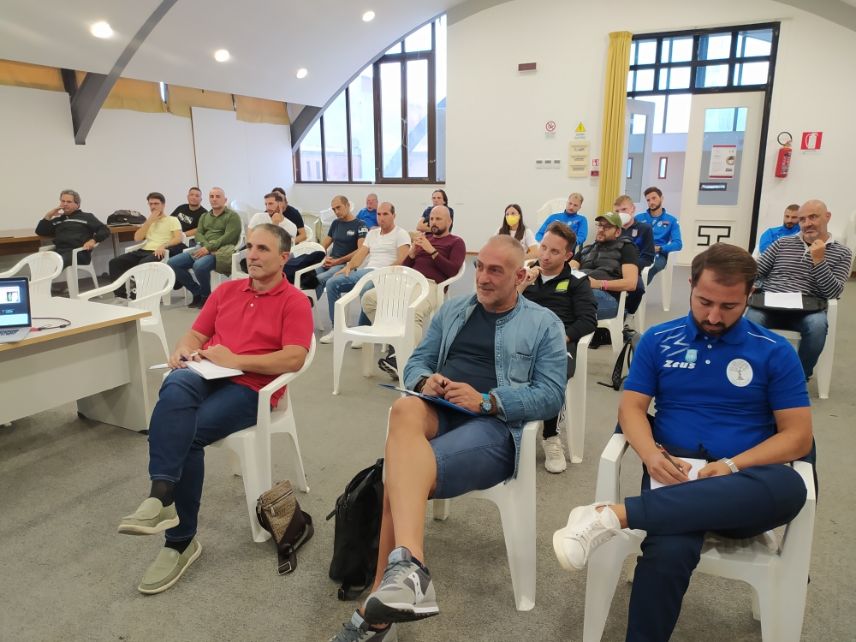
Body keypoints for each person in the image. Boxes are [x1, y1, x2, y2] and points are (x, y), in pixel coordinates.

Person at [553, 243, 813, 642]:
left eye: (729, 306)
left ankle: (613, 516)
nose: (714, 317)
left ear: (750, 296)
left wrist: (732, 466)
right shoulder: (660, 339)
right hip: (673, 475)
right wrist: (649, 454)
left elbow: (797, 436)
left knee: (790, 485)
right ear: (691, 285)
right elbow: (631, 409)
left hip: (743, 484)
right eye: (704, 302)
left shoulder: (774, 351)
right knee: (668, 551)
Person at [329, 235, 566, 642]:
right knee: (404, 409)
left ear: (520, 277)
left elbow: (551, 395)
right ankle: (409, 571)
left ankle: (378, 607)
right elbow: (418, 361)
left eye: (496, 271)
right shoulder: (454, 309)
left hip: (494, 426)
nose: (483, 278)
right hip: (441, 409)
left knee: (399, 473)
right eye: (480, 267)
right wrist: (426, 381)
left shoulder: (544, 324)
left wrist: (488, 400)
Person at [117, 224, 313, 595]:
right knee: (174, 384)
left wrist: (236, 360)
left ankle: (180, 542)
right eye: (250, 247)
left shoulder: (294, 301)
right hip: (208, 372)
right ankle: (161, 495)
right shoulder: (226, 291)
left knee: (187, 432)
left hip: (251, 388)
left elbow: (294, 357)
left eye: (263, 249)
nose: (252, 255)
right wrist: (182, 350)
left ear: (284, 257)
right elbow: (196, 335)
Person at [519, 222, 597, 473]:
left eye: (554, 251)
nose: (545, 255)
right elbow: (502, 307)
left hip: (558, 343)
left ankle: (550, 435)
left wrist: (561, 338)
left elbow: (588, 320)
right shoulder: (526, 273)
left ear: (567, 255)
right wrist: (522, 285)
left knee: (552, 373)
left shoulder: (577, 281)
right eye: (543, 247)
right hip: (522, 338)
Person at [745, 199, 852, 380]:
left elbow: (833, 293)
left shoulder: (842, 253)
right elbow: (755, 272)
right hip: (769, 305)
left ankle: (797, 377)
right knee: (751, 321)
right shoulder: (782, 243)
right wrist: (749, 284)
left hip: (808, 309)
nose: (807, 223)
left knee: (817, 326)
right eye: (802, 219)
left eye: (813, 217)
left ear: (827, 217)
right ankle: (753, 373)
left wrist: (819, 261)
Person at [364, 205, 466, 380]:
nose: (433, 222)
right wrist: (411, 254)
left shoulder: (456, 242)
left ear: (449, 221)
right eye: (431, 219)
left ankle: (403, 361)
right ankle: (395, 343)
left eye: (438, 219)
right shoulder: (424, 239)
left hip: (429, 284)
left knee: (413, 312)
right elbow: (405, 267)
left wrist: (432, 251)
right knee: (369, 299)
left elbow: (452, 270)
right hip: (406, 281)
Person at [319, 201, 411, 343]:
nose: (381, 218)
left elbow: (402, 260)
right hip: (368, 272)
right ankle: (336, 329)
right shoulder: (372, 234)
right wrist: (348, 267)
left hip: (387, 276)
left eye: (385, 214)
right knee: (332, 282)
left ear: (394, 215)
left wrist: (382, 273)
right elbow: (360, 255)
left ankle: (363, 332)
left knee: (366, 288)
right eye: (379, 214)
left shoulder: (401, 234)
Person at [168, 187, 241, 308]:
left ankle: (206, 296)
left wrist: (208, 248)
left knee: (199, 266)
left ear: (225, 199)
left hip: (220, 251)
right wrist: (206, 247)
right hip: (202, 248)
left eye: (218, 196)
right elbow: (199, 234)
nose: (214, 199)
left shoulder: (232, 216)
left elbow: (229, 237)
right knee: (173, 263)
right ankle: (197, 292)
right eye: (211, 196)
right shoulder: (204, 216)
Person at [108, 192, 182, 298]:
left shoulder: (172, 220)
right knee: (115, 262)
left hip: (160, 251)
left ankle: (137, 294)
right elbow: (137, 238)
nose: (153, 207)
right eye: (151, 204)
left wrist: (163, 246)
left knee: (143, 264)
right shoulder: (148, 222)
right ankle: (120, 296)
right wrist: (149, 222)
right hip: (144, 250)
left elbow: (178, 238)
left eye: (156, 204)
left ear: (163, 205)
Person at [572, 212, 639, 322]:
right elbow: (569, 269)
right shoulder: (586, 249)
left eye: (607, 227)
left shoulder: (626, 248)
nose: (601, 229)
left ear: (618, 232)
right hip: (579, 290)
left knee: (565, 308)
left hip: (606, 296)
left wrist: (598, 284)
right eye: (600, 225)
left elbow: (631, 283)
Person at [36, 189, 109, 268]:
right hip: (59, 252)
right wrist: (49, 215)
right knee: (38, 263)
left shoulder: (87, 217)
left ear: (77, 204)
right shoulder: (58, 220)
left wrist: (93, 240)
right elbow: (40, 231)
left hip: (79, 253)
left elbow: (104, 230)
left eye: (69, 202)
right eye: (63, 201)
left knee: (53, 263)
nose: (65, 204)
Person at [315, 195, 369, 299]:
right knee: (308, 277)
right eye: (334, 209)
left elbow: (360, 250)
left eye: (338, 207)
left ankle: (309, 306)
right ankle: (308, 306)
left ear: (347, 205)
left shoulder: (361, 225)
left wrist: (338, 261)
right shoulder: (335, 223)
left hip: (345, 265)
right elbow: (323, 246)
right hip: (330, 262)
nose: (336, 212)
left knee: (318, 279)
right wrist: (324, 258)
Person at [615, 194, 655, 317]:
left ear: (633, 209)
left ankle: (627, 313)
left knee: (638, 289)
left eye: (624, 209)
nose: (620, 213)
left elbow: (648, 257)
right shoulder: (612, 228)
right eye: (617, 211)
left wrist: (630, 267)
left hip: (633, 269)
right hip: (611, 266)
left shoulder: (645, 229)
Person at [634, 186, 682, 283]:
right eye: (648, 200)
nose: (651, 202)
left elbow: (678, 244)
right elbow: (631, 236)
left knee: (648, 270)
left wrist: (660, 248)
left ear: (661, 198)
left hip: (658, 254)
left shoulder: (671, 220)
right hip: (638, 252)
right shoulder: (638, 218)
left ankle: (635, 289)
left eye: (654, 198)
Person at [169, 187, 207, 254]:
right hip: (172, 236)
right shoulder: (181, 207)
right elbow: (170, 220)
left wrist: (183, 234)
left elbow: (200, 229)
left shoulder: (204, 214)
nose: (194, 197)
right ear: (188, 197)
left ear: (201, 199)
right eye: (191, 195)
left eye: (197, 196)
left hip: (186, 241)